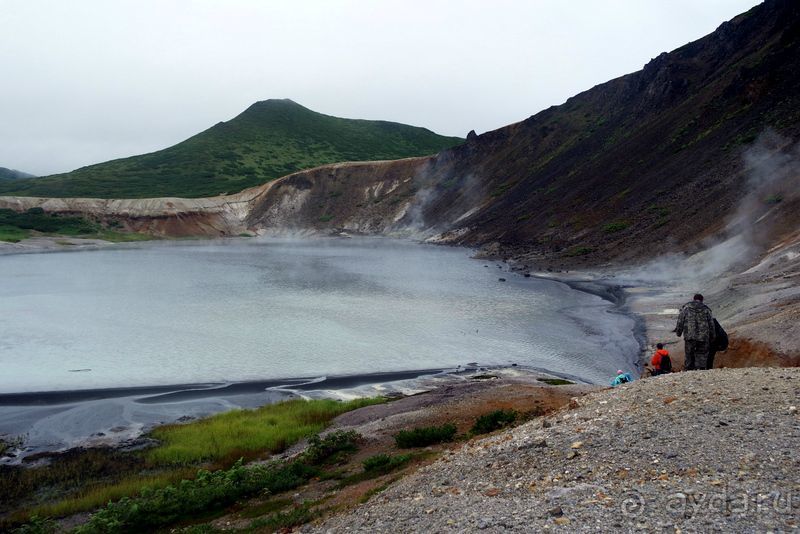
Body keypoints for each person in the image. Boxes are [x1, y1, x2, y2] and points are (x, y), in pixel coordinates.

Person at [674, 293, 715, 371]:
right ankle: (701, 369)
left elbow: (680, 321)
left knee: (689, 354)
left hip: (690, 336)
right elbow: (711, 324)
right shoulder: (706, 309)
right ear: (702, 300)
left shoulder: (686, 308)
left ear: (693, 299)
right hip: (703, 337)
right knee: (702, 354)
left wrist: (678, 332)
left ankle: (689, 370)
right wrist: (712, 336)